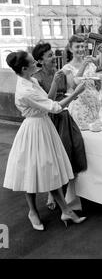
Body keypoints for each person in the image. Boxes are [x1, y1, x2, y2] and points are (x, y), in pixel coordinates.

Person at [3, 51, 87, 230]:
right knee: (32, 171)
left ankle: (65, 209)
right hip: (34, 130)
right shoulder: (25, 90)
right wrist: (75, 94)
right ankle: (33, 211)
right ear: (24, 68)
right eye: (34, 63)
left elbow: (47, 100)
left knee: (50, 169)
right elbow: (55, 107)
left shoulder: (31, 81)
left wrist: (55, 83)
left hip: (44, 127)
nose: (37, 64)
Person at [32, 42, 87, 210]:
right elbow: (46, 102)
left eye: (53, 54)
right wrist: (55, 83)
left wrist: (75, 94)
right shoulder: (37, 78)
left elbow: (68, 92)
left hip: (64, 116)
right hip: (50, 120)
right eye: (49, 56)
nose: (54, 58)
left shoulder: (60, 73)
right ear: (40, 61)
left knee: (73, 149)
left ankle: (70, 192)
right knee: (54, 158)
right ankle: (52, 193)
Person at [62, 35, 101, 129]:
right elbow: (73, 86)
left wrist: (99, 83)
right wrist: (83, 66)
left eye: (82, 46)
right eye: (77, 46)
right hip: (80, 107)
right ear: (71, 49)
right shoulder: (67, 68)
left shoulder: (91, 65)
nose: (81, 49)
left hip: (95, 105)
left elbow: (97, 86)